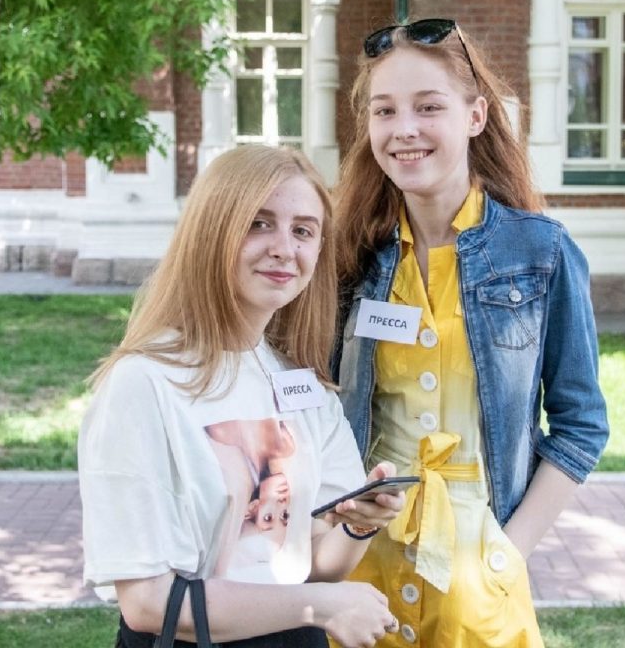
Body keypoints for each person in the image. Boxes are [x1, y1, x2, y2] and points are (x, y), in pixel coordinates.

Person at [331, 19, 610, 646]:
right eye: (385, 110)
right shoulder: (350, 257)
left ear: (476, 116)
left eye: (428, 107)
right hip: (361, 572)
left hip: (478, 579)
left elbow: (582, 423)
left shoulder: (541, 253)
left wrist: (509, 553)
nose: (404, 129)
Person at [79, 145, 407, 648]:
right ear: (212, 232)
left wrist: (359, 525)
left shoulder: (302, 385)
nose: (284, 248)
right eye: (259, 223)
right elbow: (147, 603)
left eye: (303, 230)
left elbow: (312, 564)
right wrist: (317, 606)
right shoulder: (143, 383)